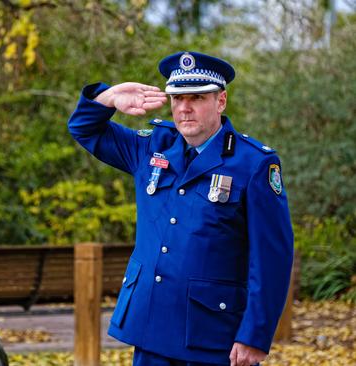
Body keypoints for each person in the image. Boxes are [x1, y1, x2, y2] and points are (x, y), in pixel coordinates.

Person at [67, 51, 294, 366]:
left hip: (212, 335)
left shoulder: (253, 163)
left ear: (221, 101)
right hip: (150, 327)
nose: (184, 108)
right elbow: (84, 129)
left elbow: (272, 258)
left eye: (197, 98)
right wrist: (109, 97)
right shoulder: (152, 146)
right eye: (177, 98)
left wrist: (254, 335)